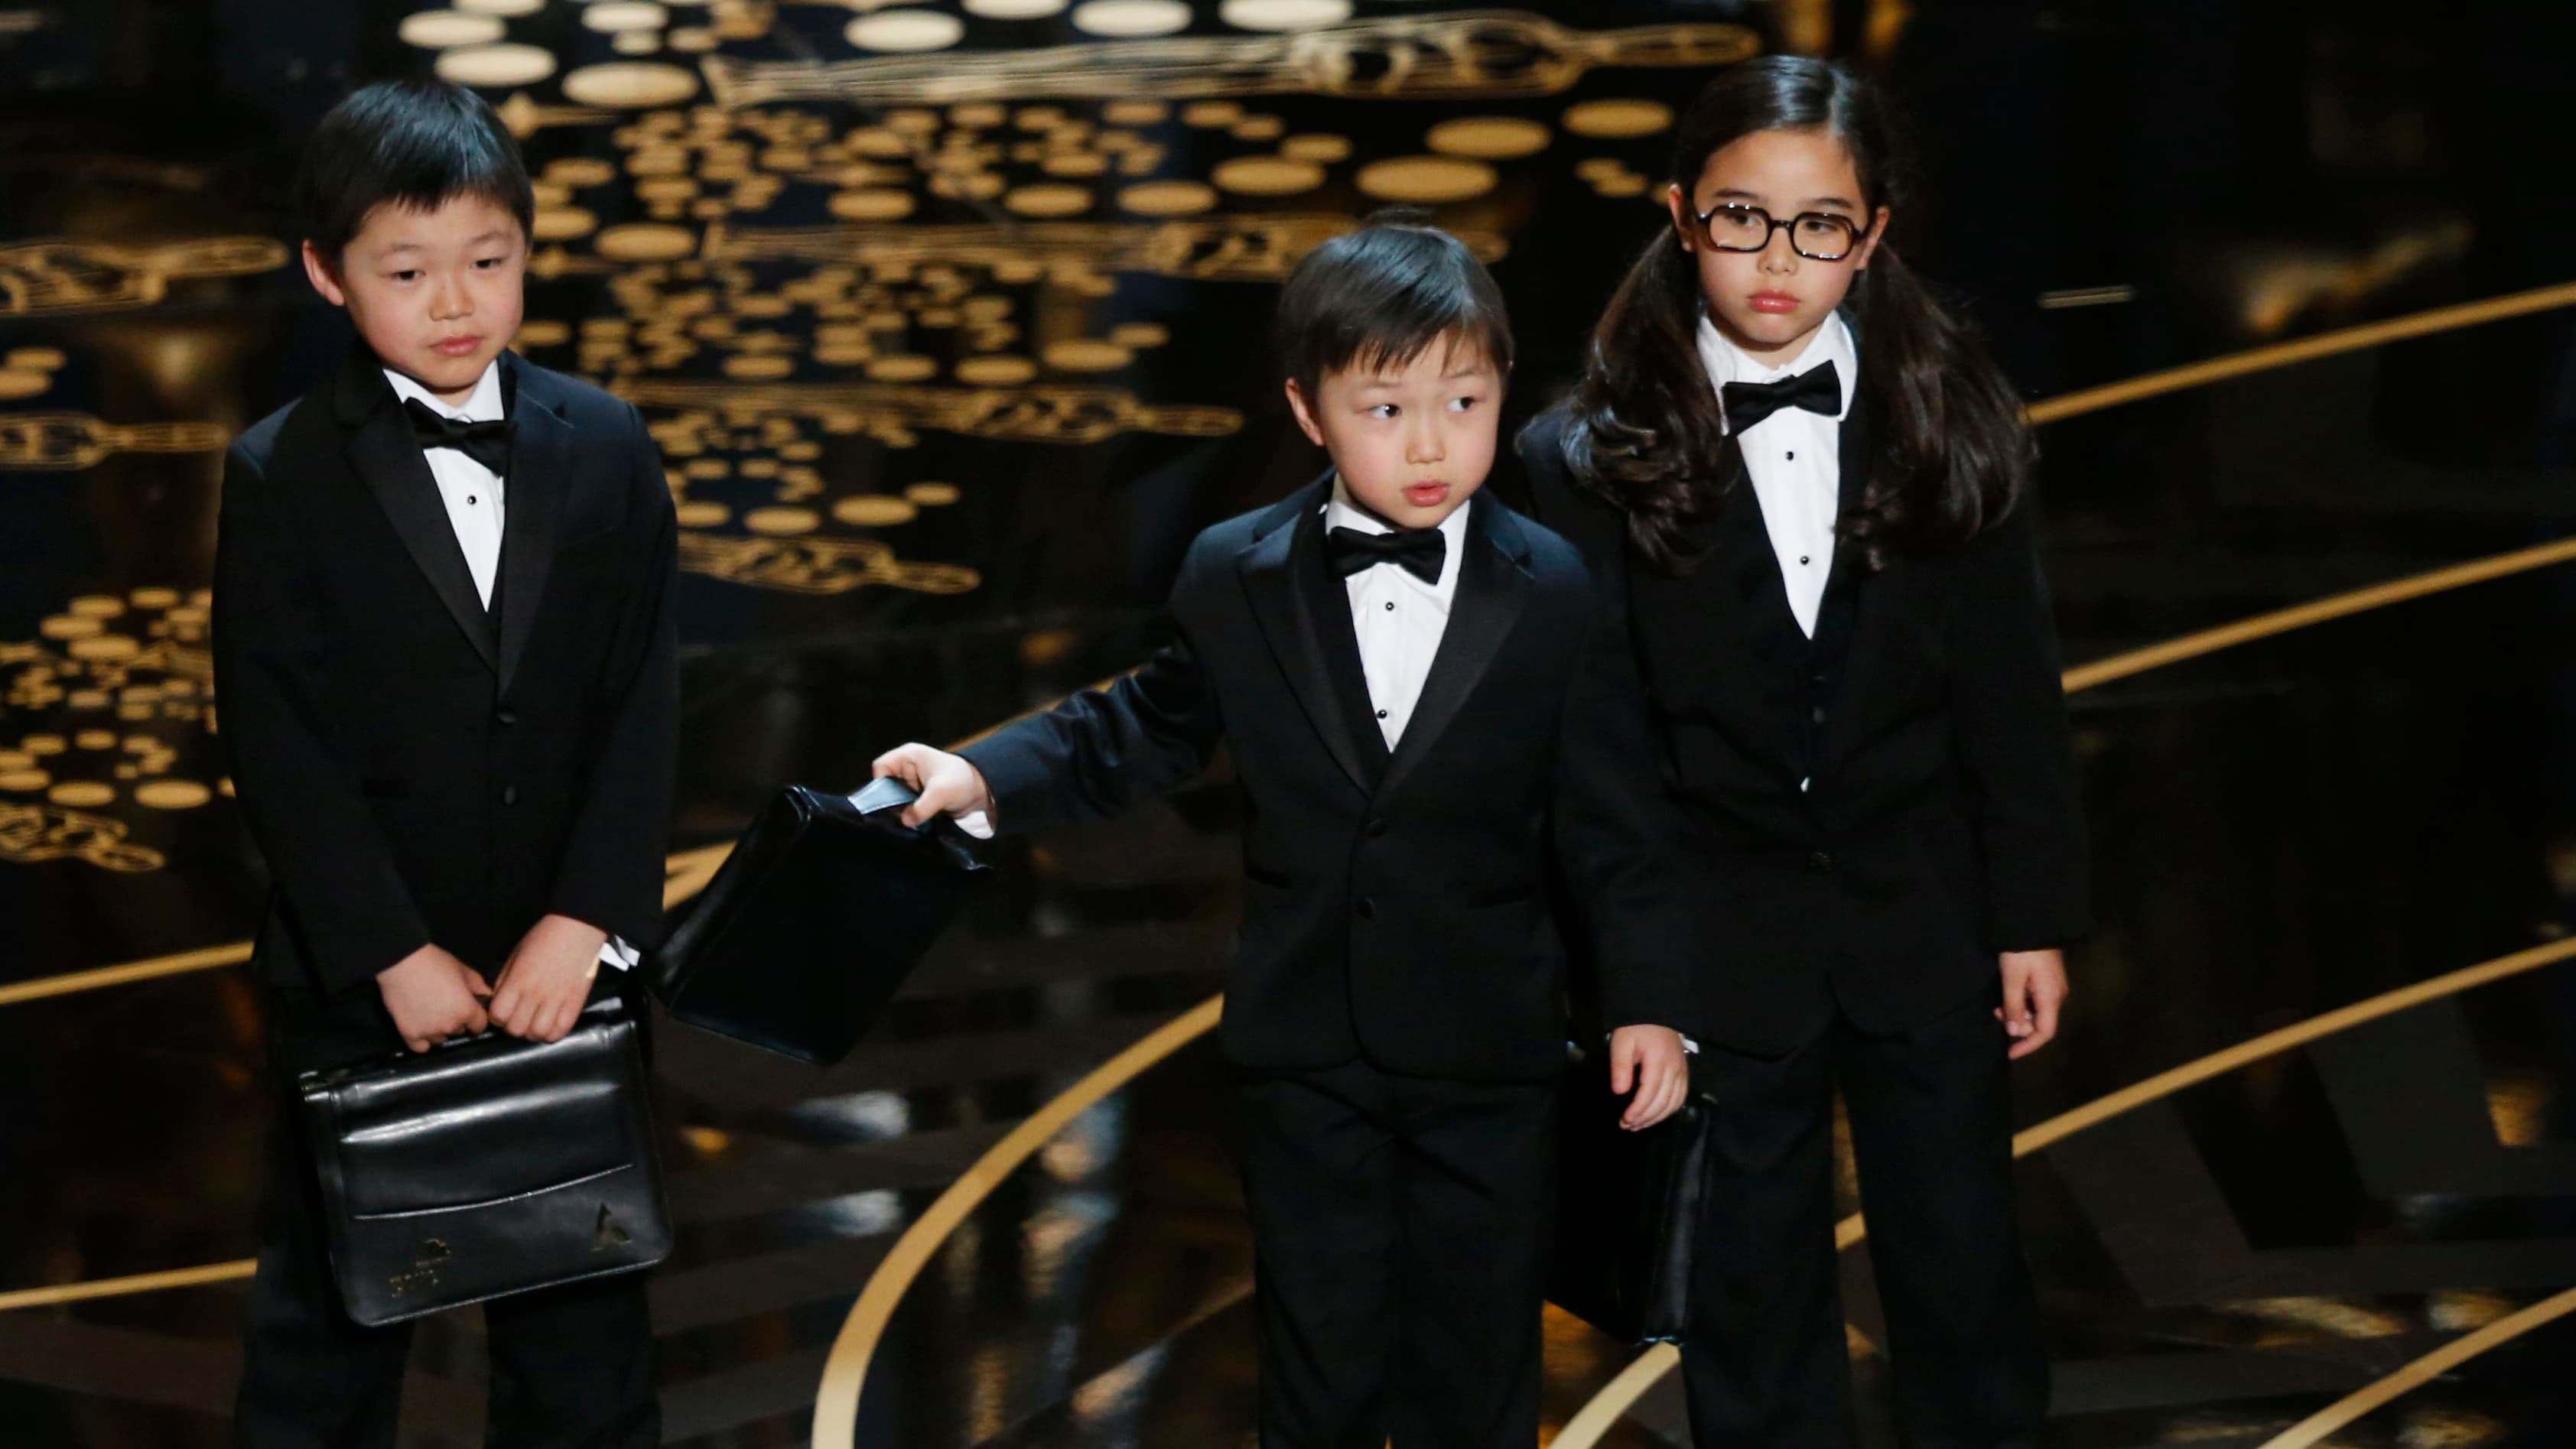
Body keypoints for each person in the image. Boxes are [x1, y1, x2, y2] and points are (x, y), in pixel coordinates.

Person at [874, 213, 1693, 1449]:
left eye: (1463, 402)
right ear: (1309, 413)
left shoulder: (1553, 584)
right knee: (1317, 1363)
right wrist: (981, 773)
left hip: (1491, 1055)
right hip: (1305, 1056)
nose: (1431, 443)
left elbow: (1609, 816)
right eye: (1386, 409)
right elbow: (1139, 727)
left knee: (1477, 1369)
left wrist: (1643, 999)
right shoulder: (1235, 572)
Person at [1514, 57, 2089, 1449]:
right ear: (1679, 215)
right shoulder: (1580, 458)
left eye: (1820, 224)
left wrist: (2032, 917)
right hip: (1715, 942)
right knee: (1751, 1309)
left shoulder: (1950, 412)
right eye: (1741, 218)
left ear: (1875, 230)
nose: (1779, 261)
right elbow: (1598, 760)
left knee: (1964, 1283)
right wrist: (1638, 984)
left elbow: (2012, 696)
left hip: (1926, 922)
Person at [213, 78, 676, 1447]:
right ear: (326, 275)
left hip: (564, 967)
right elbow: (275, 735)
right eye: (407, 273)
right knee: (330, 1338)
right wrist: (389, 954)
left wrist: (584, 922)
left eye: (490, 262)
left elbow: (642, 704)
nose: (456, 303)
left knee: (584, 1344)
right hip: (371, 979)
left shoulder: (604, 443)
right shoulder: (281, 472)